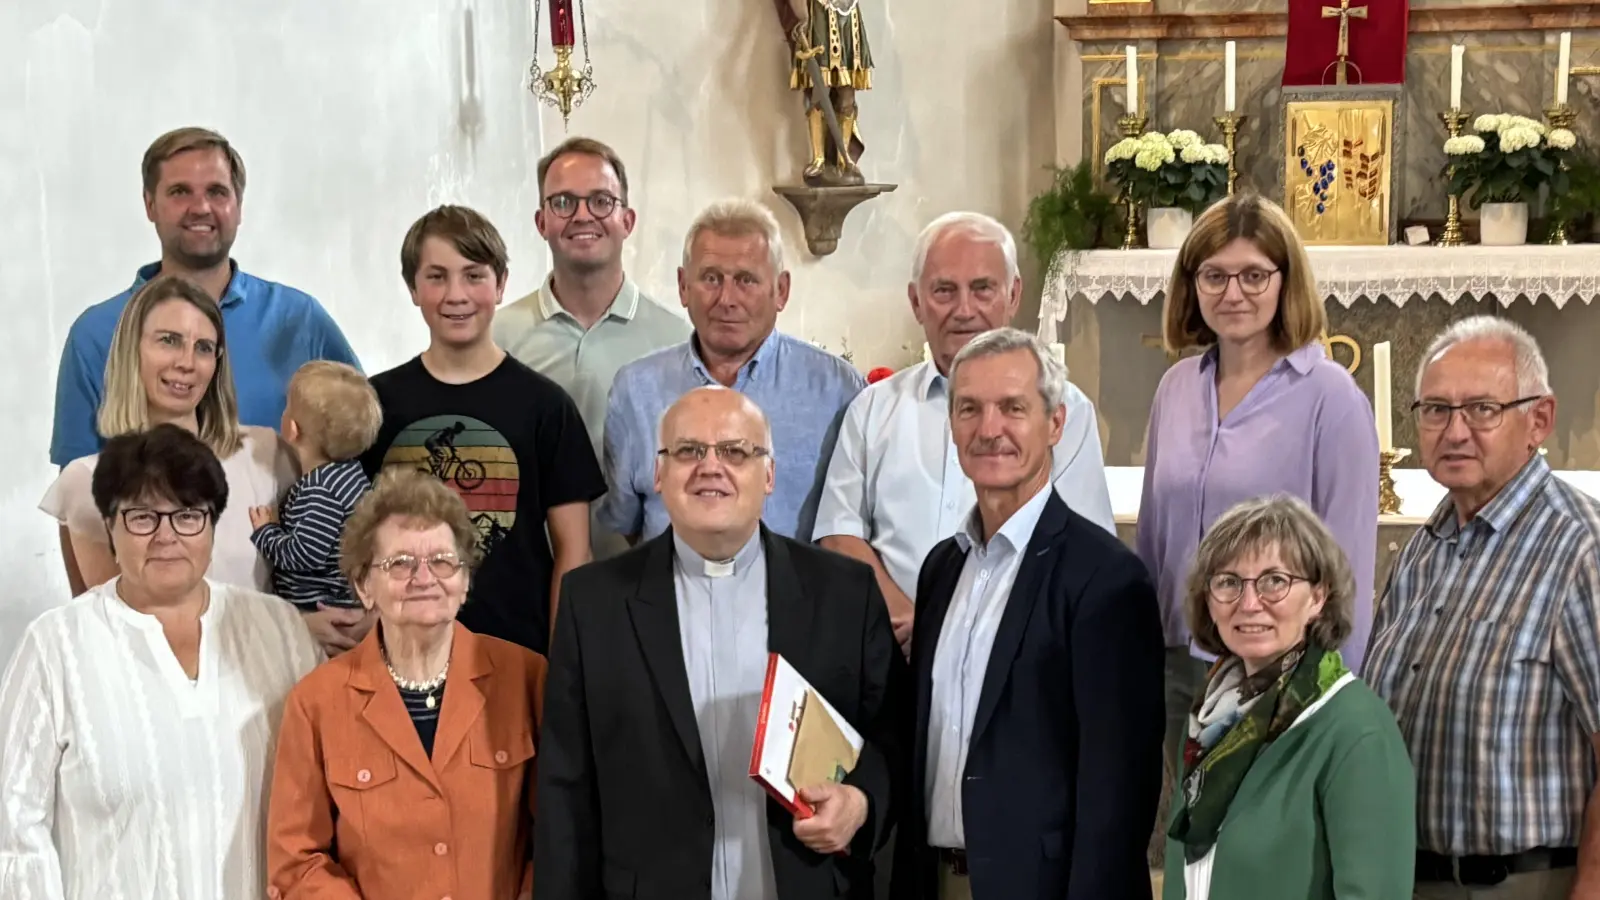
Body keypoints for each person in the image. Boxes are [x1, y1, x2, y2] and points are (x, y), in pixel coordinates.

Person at [536, 386, 905, 900]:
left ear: (769, 475)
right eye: (688, 451)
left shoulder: (845, 593)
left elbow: (896, 736)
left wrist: (862, 802)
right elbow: (564, 788)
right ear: (659, 475)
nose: (711, 467)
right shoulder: (593, 603)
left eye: (736, 451)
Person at [893, 328, 1164, 900]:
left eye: (1013, 408)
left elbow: (1118, 799)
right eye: (969, 409)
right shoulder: (942, 568)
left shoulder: (1107, 580)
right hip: (937, 880)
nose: (989, 429)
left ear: (1056, 424)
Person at [0, 424, 322, 900]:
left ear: (213, 522)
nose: (166, 536)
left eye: (188, 515)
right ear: (109, 525)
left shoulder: (280, 631)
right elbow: (14, 831)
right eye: (142, 517)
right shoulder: (56, 647)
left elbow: (329, 791)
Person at [1137, 193, 1378, 772]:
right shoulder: (1176, 388)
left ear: (1285, 281)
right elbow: (1152, 540)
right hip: (1178, 665)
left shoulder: (1329, 397)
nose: (1233, 293)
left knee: (1265, 850)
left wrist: (1324, 692)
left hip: (1277, 671)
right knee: (1192, 843)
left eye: (1253, 275)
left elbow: (1348, 567)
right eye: (1214, 276)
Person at [1366, 317, 1600, 900]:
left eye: (1482, 410)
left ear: (1538, 420)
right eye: (1436, 410)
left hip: (1523, 883)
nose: (1454, 431)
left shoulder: (1580, 551)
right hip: (1409, 877)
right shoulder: (1424, 548)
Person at [816, 211, 1115, 654]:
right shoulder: (873, 408)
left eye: (982, 289)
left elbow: (1083, 550)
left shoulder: (1062, 408)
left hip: (1016, 656)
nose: (964, 310)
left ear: (1013, 295)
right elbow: (839, 536)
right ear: (916, 301)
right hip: (891, 652)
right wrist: (910, 622)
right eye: (943, 291)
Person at [266, 468, 545, 900]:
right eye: (400, 563)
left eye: (442, 561)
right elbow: (297, 861)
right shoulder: (316, 703)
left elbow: (561, 833)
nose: (424, 578)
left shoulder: (527, 678)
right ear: (364, 585)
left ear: (465, 579)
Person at [361, 205, 604, 656]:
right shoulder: (376, 405)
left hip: (517, 652)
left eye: (474, 275)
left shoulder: (547, 408)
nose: (457, 295)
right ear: (413, 287)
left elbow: (574, 553)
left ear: (501, 283)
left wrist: (561, 664)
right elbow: (355, 537)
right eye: (436, 276)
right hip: (400, 653)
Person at [50, 126, 359, 468]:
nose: (200, 207)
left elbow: (361, 436)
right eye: (180, 192)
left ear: (238, 207)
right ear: (150, 204)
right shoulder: (95, 334)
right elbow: (76, 501)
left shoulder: (300, 319)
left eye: (217, 192)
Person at [1162, 494, 1414, 900]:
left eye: (1274, 581)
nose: (1249, 603)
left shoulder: (1355, 730)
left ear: (1318, 597)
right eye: (1228, 582)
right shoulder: (1209, 720)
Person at [599, 198, 864, 545]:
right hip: (668, 595)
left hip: (795, 597)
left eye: (746, 280)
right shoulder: (636, 389)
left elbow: (854, 525)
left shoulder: (837, 390)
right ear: (682, 286)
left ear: (781, 291)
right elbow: (628, 524)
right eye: (711, 278)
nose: (727, 298)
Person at [41, 274, 299, 597]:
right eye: (169, 341)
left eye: (203, 347)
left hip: (275, 646)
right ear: (131, 349)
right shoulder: (86, 480)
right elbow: (106, 629)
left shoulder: (266, 452)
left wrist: (304, 624)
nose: (187, 363)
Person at [495, 137, 690, 558]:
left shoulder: (677, 340)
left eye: (601, 200)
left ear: (627, 219)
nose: (582, 215)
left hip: (644, 575)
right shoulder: (498, 337)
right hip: (527, 577)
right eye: (563, 202)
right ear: (541, 221)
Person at [249, 361, 381, 648]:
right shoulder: (351, 475)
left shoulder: (322, 491)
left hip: (321, 613)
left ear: (291, 428)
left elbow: (304, 554)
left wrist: (266, 532)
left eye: (287, 407)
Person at [773, 0, 872, 183]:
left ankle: (844, 160)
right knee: (819, 91)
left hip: (848, 16)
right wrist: (801, 15)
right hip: (820, 13)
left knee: (847, 94)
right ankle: (818, 158)